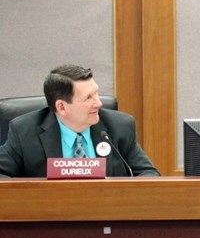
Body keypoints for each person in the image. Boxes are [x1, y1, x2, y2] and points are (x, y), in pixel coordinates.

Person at [0, 64, 159, 177]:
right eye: (88, 98)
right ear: (61, 107)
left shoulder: (119, 127)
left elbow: (148, 174)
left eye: (96, 93)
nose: (98, 103)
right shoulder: (25, 131)